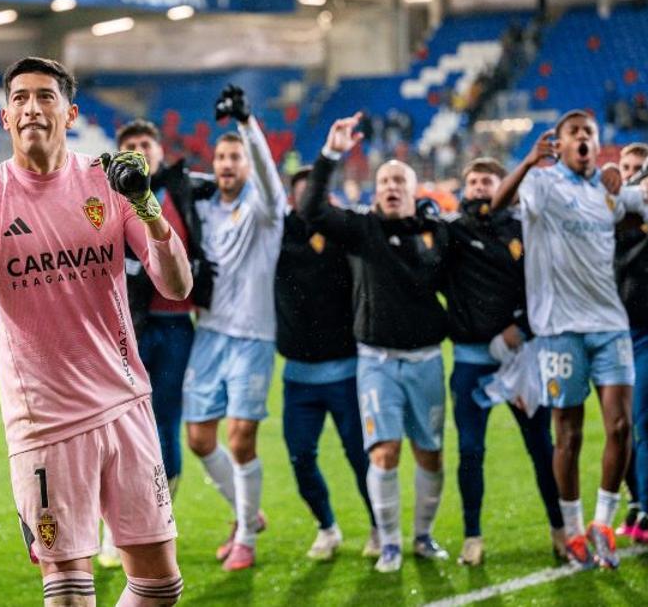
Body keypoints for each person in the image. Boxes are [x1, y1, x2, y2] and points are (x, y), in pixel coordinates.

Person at [0, 57, 192, 605]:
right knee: (69, 594)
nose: (31, 108)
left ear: (70, 113)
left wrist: (146, 204)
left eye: (44, 97)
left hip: (125, 403)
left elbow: (177, 284)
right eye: (19, 98)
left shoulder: (108, 182)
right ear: (4, 117)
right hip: (45, 424)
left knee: (161, 585)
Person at [300, 113, 451, 574]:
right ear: (375, 189)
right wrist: (330, 155)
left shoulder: (435, 232)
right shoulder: (362, 229)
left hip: (427, 361)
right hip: (378, 361)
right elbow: (312, 211)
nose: (390, 187)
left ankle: (423, 536)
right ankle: (389, 543)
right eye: (383, 180)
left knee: (431, 453)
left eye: (398, 181)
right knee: (385, 451)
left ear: (412, 190)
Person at [491, 111, 634, 570]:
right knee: (567, 434)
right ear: (562, 143)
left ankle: (603, 525)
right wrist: (530, 161)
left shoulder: (608, 193)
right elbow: (497, 203)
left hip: (610, 324)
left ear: (598, 142)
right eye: (574, 134)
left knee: (620, 427)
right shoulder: (542, 183)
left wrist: (635, 178)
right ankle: (572, 531)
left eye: (589, 133)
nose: (582, 140)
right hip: (558, 330)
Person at [98, 119, 216, 569]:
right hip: (125, 327)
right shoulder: (104, 196)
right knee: (116, 424)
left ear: (161, 150)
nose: (139, 150)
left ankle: (159, 519)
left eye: (145, 143)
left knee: (165, 420)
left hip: (177, 325)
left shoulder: (185, 188)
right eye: (129, 145)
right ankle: (113, 529)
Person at [441, 158, 565, 566]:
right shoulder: (452, 231)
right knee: (471, 450)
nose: (479, 188)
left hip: (521, 359)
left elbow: (546, 283)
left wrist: (523, 328)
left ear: (505, 185)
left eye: (488, 181)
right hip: (470, 361)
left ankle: (560, 529)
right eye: (473, 181)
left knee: (541, 446)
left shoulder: (524, 229)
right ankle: (472, 536)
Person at [183, 84, 285, 571]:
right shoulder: (203, 209)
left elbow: (269, 177)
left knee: (242, 437)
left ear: (246, 165)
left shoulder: (264, 212)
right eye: (220, 157)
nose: (226, 164)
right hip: (208, 335)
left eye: (235, 158)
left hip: (252, 339)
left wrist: (248, 125)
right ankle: (247, 514)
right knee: (200, 440)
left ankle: (245, 536)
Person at [276, 167, 376, 562]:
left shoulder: (345, 236)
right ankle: (327, 527)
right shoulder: (276, 233)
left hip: (346, 371)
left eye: (318, 198)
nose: (311, 206)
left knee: (359, 454)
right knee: (300, 457)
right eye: (304, 198)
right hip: (298, 375)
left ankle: (378, 525)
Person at [603, 143, 648, 545]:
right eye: (622, 168)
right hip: (614, 334)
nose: (629, 175)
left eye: (635, 168)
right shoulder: (608, 218)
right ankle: (632, 499)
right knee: (619, 428)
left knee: (645, 421)